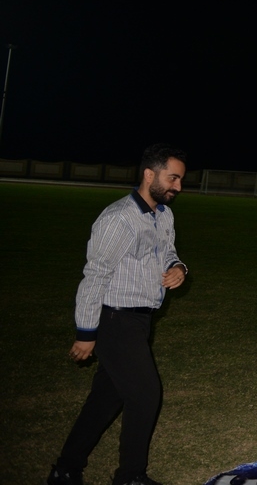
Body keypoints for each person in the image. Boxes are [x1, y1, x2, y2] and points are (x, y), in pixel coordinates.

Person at [46, 144, 189, 485]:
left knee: (105, 399)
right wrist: (86, 332)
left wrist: (178, 267)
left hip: (140, 321)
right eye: (173, 178)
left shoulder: (164, 215)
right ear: (149, 174)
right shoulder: (118, 218)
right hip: (115, 319)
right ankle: (130, 476)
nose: (178, 187)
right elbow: (95, 275)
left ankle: (65, 469)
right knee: (145, 394)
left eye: (180, 180)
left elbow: (168, 251)